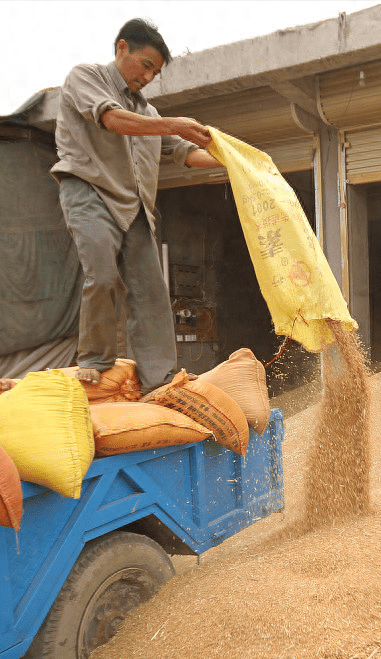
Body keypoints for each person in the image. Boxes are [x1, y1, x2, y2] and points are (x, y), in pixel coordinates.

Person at [51, 18, 223, 392]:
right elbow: (111, 120)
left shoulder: (149, 114)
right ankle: (94, 359)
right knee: (102, 274)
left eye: (155, 73)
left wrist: (236, 164)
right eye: (145, 66)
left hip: (135, 207)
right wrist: (173, 124)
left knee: (151, 292)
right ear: (122, 48)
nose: (148, 77)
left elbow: (185, 154)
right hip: (89, 192)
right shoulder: (85, 77)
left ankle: (159, 378)